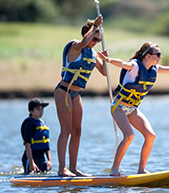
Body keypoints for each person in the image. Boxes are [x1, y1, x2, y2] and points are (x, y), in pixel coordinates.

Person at [97, 42, 169, 176]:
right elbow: (123, 64)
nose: (160, 57)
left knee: (151, 136)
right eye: (157, 54)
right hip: (118, 107)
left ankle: (141, 170)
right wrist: (108, 60)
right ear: (147, 56)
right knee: (129, 136)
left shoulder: (154, 69)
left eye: (160, 54)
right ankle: (114, 169)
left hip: (132, 109)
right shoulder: (135, 66)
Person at [54, 15, 107, 177]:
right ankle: (62, 168)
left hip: (76, 94)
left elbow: (104, 73)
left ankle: (73, 168)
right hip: (63, 91)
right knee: (66, 130)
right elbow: (84, 42)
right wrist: (95, 25)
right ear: (88, 34)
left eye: (98, 40)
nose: (95, 43)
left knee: (77, 130)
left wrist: (104, 59)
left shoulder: (91, 54)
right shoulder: (76, 46)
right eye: (94, 39)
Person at [21, 98, 52, 174]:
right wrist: (31, 162)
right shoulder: (29, 124)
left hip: (41, 157)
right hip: (30, 157)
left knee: (42, 174)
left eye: (42, 109)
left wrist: (49, 160)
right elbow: (27, 144)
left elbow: (47, 146)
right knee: (31, 174)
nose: (41, 112)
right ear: (31, 111)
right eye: (38, 109)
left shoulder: (42, 124)